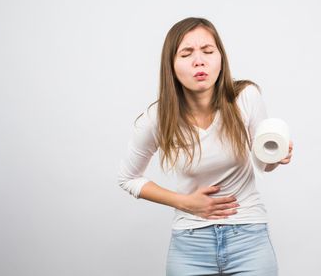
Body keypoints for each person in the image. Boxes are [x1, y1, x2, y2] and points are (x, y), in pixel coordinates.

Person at [117, 17, 293, 275]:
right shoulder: (157, 118)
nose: (199, 60)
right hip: (190, 242)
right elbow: (127, 178)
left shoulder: (245, 97)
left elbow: (264, 162)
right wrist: (184, 202)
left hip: (248, 237)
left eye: (208, 51)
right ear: (171, 66)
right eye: (186, 53)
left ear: (221, 58)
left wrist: (278, 156)